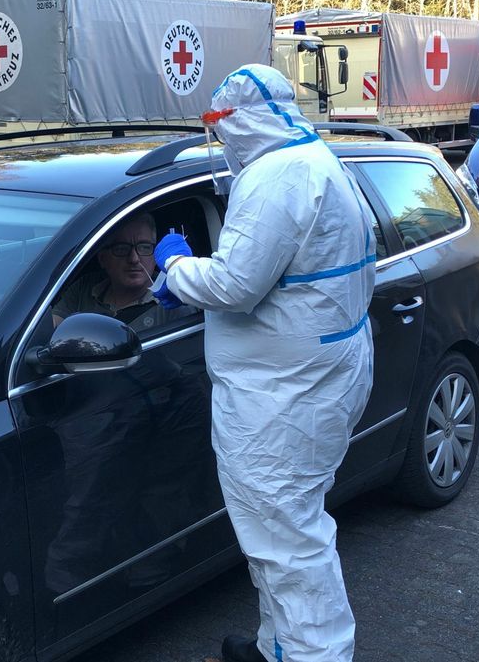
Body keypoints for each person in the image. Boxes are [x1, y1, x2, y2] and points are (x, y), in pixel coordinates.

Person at [153, 64, 376, 662]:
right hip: (317, 376)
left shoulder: (275, 176)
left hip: (283, 396)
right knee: (280, 526)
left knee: (287, 542)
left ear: (238, 122)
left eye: (219, 127)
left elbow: (235, 285)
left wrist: (175, 266)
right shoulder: (315, 158)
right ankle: (275, 647)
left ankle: (313, 656)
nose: (218, 140)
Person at [52, 211, 194, 333]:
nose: (134, 259)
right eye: (122, 248)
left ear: (156, 254)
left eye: (144, 247)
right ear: (103, 258)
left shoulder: (174, 297)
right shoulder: (85, 288)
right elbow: (48, 330)